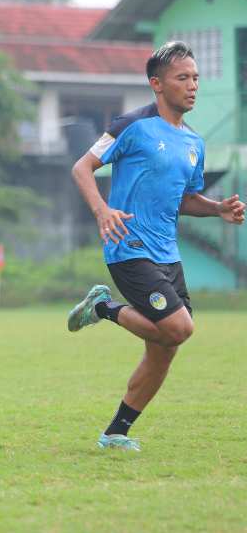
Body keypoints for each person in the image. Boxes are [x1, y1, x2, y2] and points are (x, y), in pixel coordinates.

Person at [68, 41, 244, 451]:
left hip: (168, 254)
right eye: (182, 78)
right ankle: (103, 308)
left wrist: (218, 208)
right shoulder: (132, 125)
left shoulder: (194, 143)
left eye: (196, 77)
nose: (193, 85)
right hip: (127, 246)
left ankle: (115, 433)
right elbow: (83, 167)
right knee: (179, 328)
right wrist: (101, 211)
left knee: (164, 349)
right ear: (157, 84)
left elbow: (183, 198)